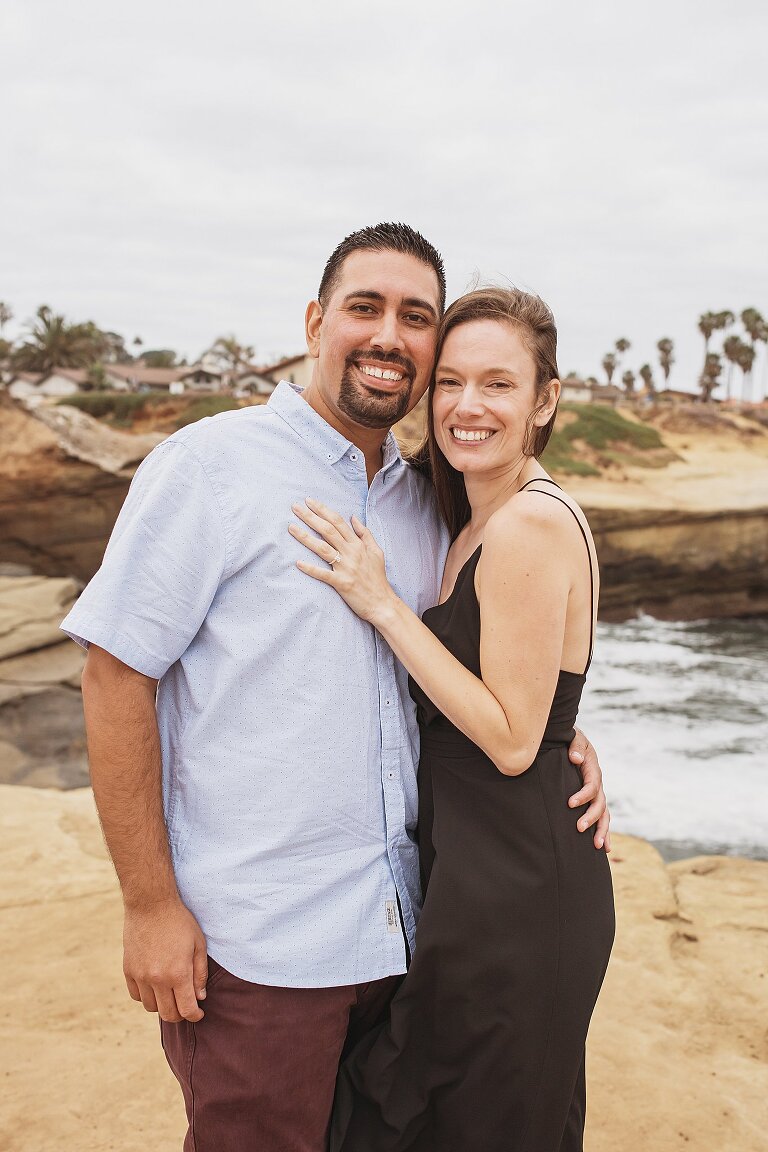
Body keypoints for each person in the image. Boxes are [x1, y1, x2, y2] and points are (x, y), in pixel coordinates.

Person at [60, 225, 610, 1152]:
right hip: (263, 943)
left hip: (411, 928)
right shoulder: (211, 466)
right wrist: (150, 903)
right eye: (365, 308)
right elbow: (115, 674)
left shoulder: (432, 499)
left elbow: (492, 667)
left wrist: (570, 739)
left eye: (416, 317)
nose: (389, 335)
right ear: (317, 322)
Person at [290, 286, 615, 1152]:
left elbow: (511, 741)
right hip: (474, 874)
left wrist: (381, 602)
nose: (468, 406)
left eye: (500, 385)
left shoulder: (530, 524)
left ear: (544, 400)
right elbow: (522, 697)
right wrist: (567, 733)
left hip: (516, 892)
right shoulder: (470, 512)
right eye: (452, 382)